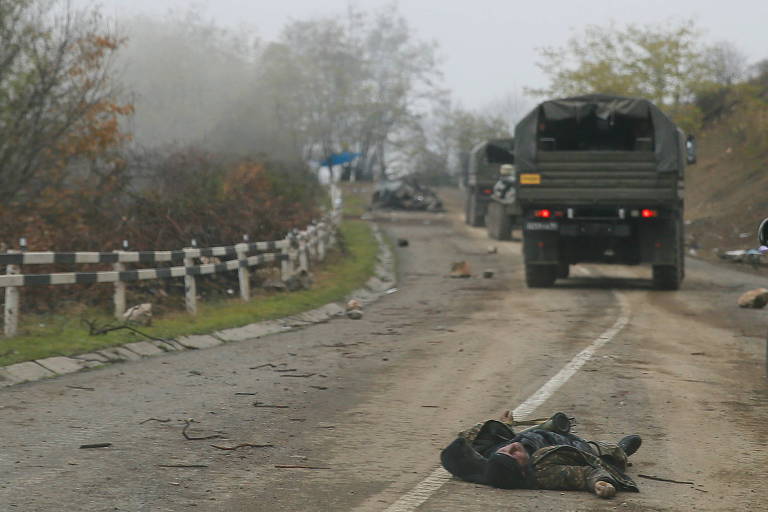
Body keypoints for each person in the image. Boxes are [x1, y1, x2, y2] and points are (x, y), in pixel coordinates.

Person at [440, 411, 641, 499]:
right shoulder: (544, 472)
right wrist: (600, 483)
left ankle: (550, 426)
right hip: (568, 446)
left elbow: (464, 447)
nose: (512, 448)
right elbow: (585, 474)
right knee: (604, 452)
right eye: (512, 455)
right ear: (522, 471)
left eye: (505, 450)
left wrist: (505, 426)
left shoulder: (492, 457)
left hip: (533, 436)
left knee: (505, 436)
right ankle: (621, 450)